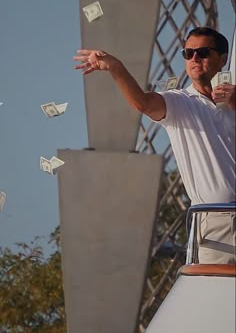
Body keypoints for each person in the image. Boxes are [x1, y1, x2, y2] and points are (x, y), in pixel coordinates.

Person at [73, 27, 236, 264]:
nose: (194, 59)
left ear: (222, 59)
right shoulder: (179, 102)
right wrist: (115, 68)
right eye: (188, 53)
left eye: (202, 52)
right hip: (217, 223)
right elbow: (143, 103)